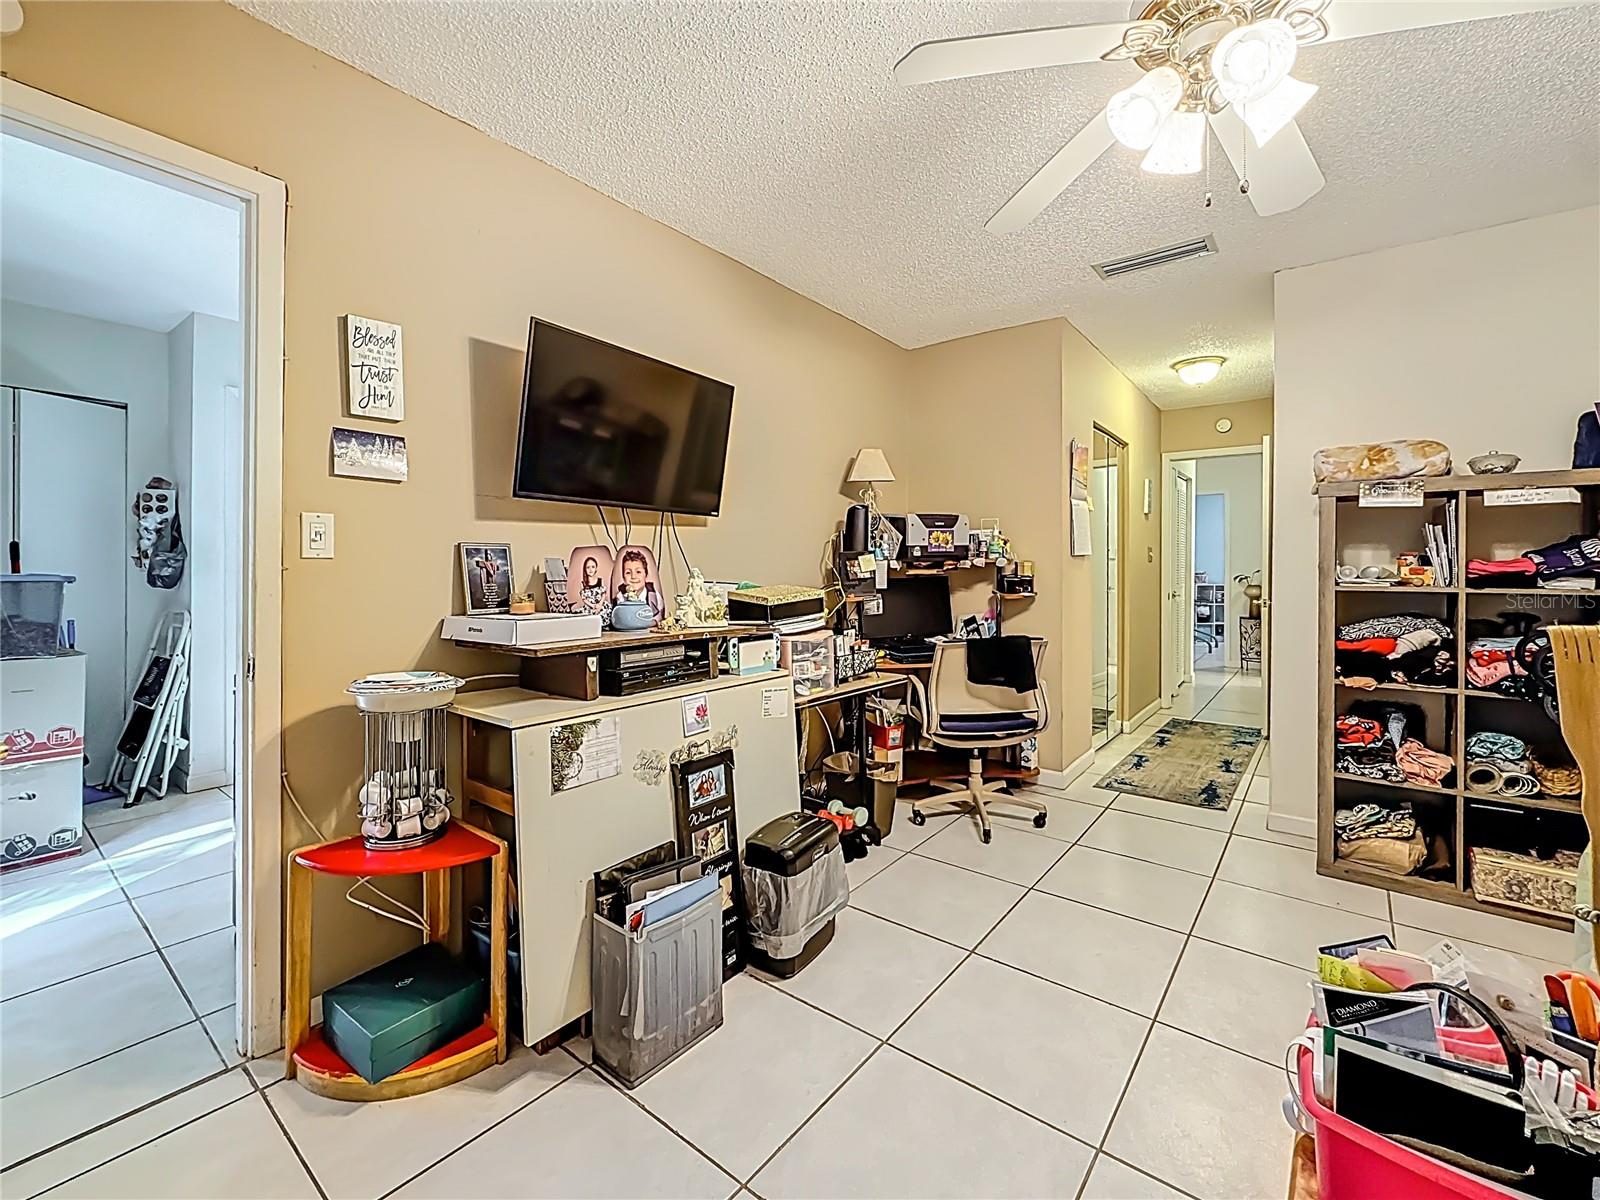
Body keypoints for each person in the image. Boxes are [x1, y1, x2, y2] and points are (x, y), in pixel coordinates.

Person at [614, 548, 664, 618]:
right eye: (628, 573)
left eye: (638, 572)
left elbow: (660, 616)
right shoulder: (621, 597)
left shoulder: (654, 595)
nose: (633, 577)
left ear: (645, 575)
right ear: (623, 578)